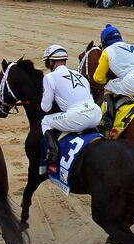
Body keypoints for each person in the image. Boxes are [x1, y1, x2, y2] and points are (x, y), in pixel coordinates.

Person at [39, 44, 103, 173]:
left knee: (45, 121)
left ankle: (52, 154)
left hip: (77, 117)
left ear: (50, 62)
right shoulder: (79, 75)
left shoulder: (49, 77)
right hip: (96, 114)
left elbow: (46, 107)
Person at [92, 24, 134, 125]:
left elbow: (98, 78)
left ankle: (107, 120)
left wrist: (107, 81)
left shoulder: (107, 51)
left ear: (104, 42)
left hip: (131, 82)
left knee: (108, 87)